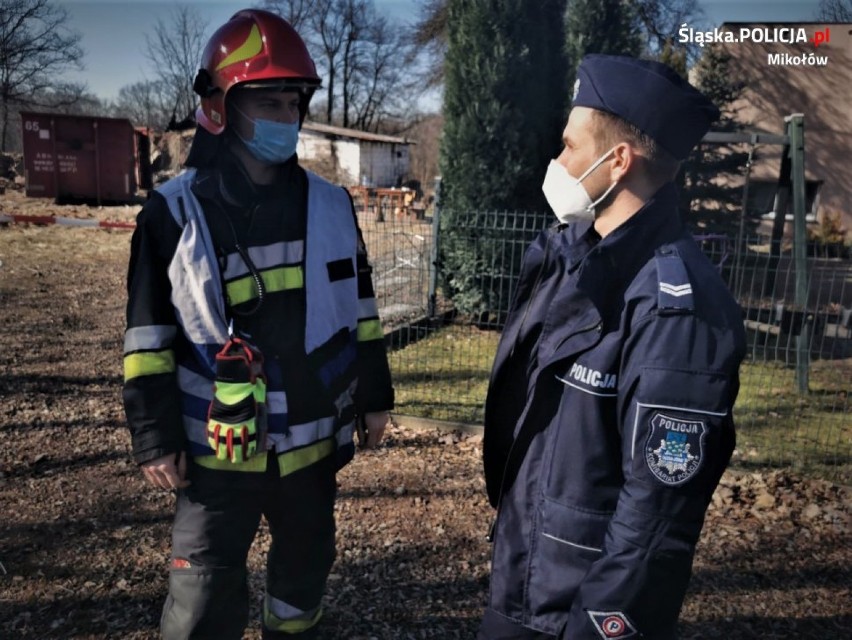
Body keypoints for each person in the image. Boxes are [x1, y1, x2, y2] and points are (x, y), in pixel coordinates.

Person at [121, 9, 394, 639]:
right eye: (264, 101)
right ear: (219, 107)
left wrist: (375, 398)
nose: (283, 117)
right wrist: (152, 434)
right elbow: (147, 339)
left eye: (291, 102)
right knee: (202, 597)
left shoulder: (331, 206)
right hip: (217, 455)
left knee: (301, 588)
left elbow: (362, 312)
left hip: (311, 445)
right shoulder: (172, 212)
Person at [478, 54, 746, 639]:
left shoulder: (677, 309)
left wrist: (600, 625)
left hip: (576, 611)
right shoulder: (574, 259)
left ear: (618, 161)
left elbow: (656, 515)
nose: (558, 161)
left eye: (570, 146)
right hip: (527, 583)